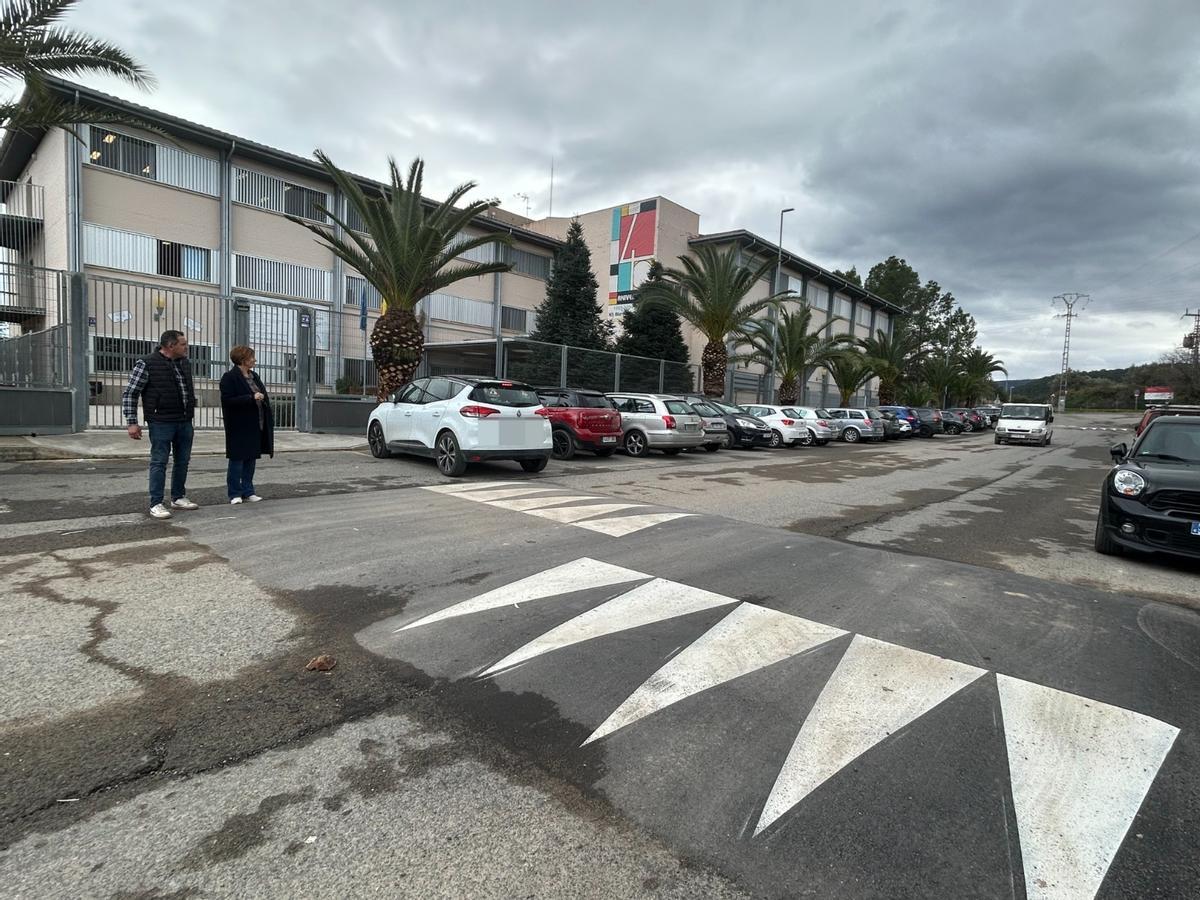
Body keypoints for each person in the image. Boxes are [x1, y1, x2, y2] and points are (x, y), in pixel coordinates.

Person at [122, 329, 199, 519]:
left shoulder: (185, 363)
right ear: (171, 346)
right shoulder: (147, 363)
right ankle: (156, 502)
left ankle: (178, 497)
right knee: (159, 462)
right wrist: (132, 422)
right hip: (161, 421)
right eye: (183, 344)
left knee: (183, 461)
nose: (186, 347)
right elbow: (131, 393)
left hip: (184, 421)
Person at [220, 345, 274, 504]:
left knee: (251, 459)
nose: (254, 360)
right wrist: (251, 397)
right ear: (243, 360)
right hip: (239, 425)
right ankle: (234, 493)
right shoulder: (229, 378)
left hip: (256, 423)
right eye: (251, 357)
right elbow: (228, 400)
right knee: (237, 460)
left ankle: (248, 491)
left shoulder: (254, 376)